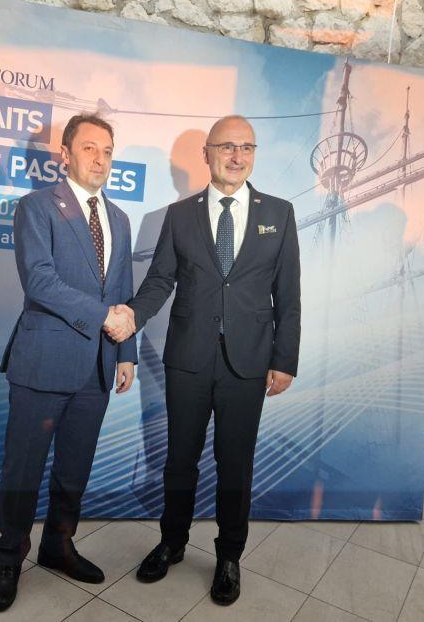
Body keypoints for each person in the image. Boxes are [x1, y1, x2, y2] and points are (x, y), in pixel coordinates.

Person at [118, 115, 301, 605]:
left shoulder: (279, 213)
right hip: (188, 359)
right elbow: (160, 279)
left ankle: (229, 556)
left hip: (249, 362)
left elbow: (288, 294)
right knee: (179, 459)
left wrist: (285, 358)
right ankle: (172, 542)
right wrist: (132, 316)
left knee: (235, 465)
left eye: (247, 147)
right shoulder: (179, 216)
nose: (237, 156)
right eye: (227, 147)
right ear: (207, 154)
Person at [0, 113, 138, 612]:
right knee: (23, 468)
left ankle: (57, 545)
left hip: (97, 366)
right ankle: (10, 558)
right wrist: (103, 318)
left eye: (108, 151)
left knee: (74, 469)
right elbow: (40, 281)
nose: (100, 159)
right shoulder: (36, 207)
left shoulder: (120, 219)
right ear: (66, 155)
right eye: (90, 148)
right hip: (43, 362)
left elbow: (122, 291)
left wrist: (126, 352)